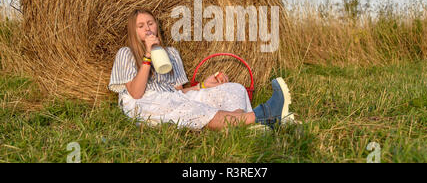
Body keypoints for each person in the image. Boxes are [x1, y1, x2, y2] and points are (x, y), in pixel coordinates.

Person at [108, 8, 292, 131]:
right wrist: (148, 55)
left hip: (172, 98)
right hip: (144, 103)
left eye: (151, 23)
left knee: (234, 89)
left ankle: (242, 126)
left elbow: (179, 92)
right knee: (188, 108)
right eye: (141, 26)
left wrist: (203, 85)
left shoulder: (171, 53)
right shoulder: (126, 53)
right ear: (134, 32)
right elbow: (136, 93)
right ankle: (266, 115)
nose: (148, 28)